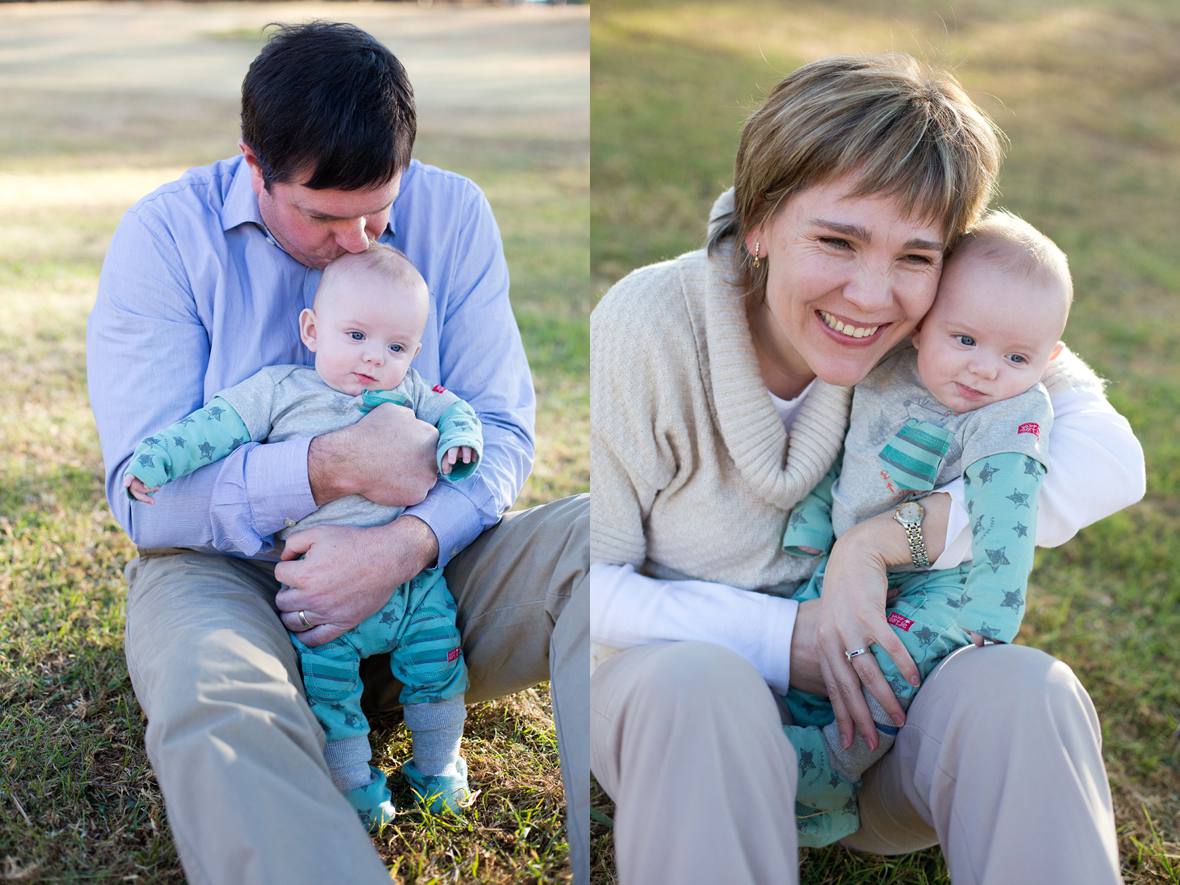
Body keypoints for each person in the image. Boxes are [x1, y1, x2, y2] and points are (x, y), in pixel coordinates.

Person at [590, 54, 1144, 883]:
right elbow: (587, 584)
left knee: (1029, 692)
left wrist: (881, 543)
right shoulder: (650, 326)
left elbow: (1112, 462)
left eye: (916, 257)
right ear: (761, 221)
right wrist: (787, 641)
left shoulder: (952, 329)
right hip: (685, 725)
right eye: (837, 240)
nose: (873, 296)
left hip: (878, 738)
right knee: (699, 689)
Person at [87, 22, 588, 884]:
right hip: (233, 574)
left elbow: (500, 429)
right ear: (255, 164)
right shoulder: (166, 240)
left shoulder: (456, 211)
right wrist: (330, 465)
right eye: (325, 216)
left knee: (603, 538)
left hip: (429, 569)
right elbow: (145, 499)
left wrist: (400, 547)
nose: (360, 241)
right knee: (218, 702)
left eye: (379, 211)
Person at [122, 245, 482, 827]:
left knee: (439, 668)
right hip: (316, 590)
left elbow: (459, 415)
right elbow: (210, 427)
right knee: (330, 694)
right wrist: (159, 459)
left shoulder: (414, 391)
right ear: (313, 331)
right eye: (356, 335)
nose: (373, 358)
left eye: (395, 347)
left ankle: (437, 769)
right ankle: (356, 788)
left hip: (413, 586)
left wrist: (459, 445)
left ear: (414, 353)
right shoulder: (278, 390)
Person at [780, 210, 1074, 845]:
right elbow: (843, 457)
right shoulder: (885, 368)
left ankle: (834, 765)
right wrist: (810, 525)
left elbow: (1006, 521)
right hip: (849, 553)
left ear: (1048, 359)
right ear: (923, 326)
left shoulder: (1012, 414)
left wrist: (992, 617)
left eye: (1016, 355)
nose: (984, 370)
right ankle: (796, 754)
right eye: (964, 339)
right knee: (823, 641)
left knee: (891, 667)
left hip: (948, 586)